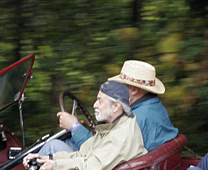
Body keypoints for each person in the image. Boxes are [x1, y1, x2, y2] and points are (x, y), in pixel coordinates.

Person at [40, 60, 178, 156]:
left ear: (135, 90)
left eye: (121, 85)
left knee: (52, 147)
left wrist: (74, 127)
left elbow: (100, 155)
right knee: (67, 142)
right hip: (133, 167)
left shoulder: (135, 120)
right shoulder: (155, 108)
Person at [21, 81, 146, 170]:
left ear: (116, 106)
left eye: (100, 101)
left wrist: (55, 166)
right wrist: (49, 158)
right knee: (50, 150)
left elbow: (92, 166)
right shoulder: (116, 125)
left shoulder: (119, 136)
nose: (95, 105)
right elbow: (86, 153)